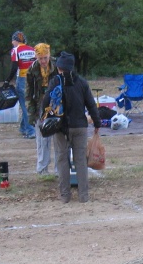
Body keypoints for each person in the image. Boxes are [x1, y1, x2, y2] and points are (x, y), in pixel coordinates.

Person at [43, 51, 101, 203]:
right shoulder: (81, 82)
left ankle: (65, 196)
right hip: (80, 126)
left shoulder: (55, 81)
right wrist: (97, 122)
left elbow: (45, 103)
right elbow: (91, 104)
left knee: (62, 160)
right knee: (80, 160)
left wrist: (45, 119)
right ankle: (83, 195)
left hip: (61, 128)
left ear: (59, 67)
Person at [27, 43, 56, 173]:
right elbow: (29, 93)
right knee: (42, 139)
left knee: (59, 139)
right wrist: (31, 113)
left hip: (56, 104)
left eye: (45, 57)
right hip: (40, 105)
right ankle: (42, 169)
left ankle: (59, 170)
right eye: (40, 58)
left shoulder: (57, 66)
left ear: (49, 55)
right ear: (36, 58)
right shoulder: (32, 70)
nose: (43, 61)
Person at [5, 31, 37, 138]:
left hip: (22, 78)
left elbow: (14, 67)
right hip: (33, 79)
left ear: (16, 41)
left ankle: (31, 130)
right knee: (29, 102)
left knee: (25, 105)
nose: (12, 43)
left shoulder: (15, 50)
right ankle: (23, 128)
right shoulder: (32, 49)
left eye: (13, 40)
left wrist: (7, 80)